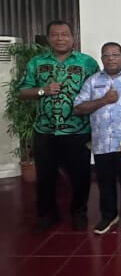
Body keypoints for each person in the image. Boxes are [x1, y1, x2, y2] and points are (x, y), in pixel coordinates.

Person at [19, 20, 99, 231]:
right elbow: (22, 91)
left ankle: (79, 212)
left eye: (65, 34)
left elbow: (96, 94)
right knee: (45, 176)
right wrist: (43, 90)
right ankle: (47, 215)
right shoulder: (36, 62)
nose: (60, 38)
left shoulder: (88, 63)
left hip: (78, 130)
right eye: (55, 34)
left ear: (73, 38)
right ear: (48, 38)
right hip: (45, 130)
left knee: (80, 176)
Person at [74, 42, 121, 235]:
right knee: (104, 182)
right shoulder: (92, 81)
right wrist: (104, 100)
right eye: (106, 55)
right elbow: (78, 107)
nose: (111, 58)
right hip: (101, 142)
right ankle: (109, 216)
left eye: (115, 55)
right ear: (102, 59)